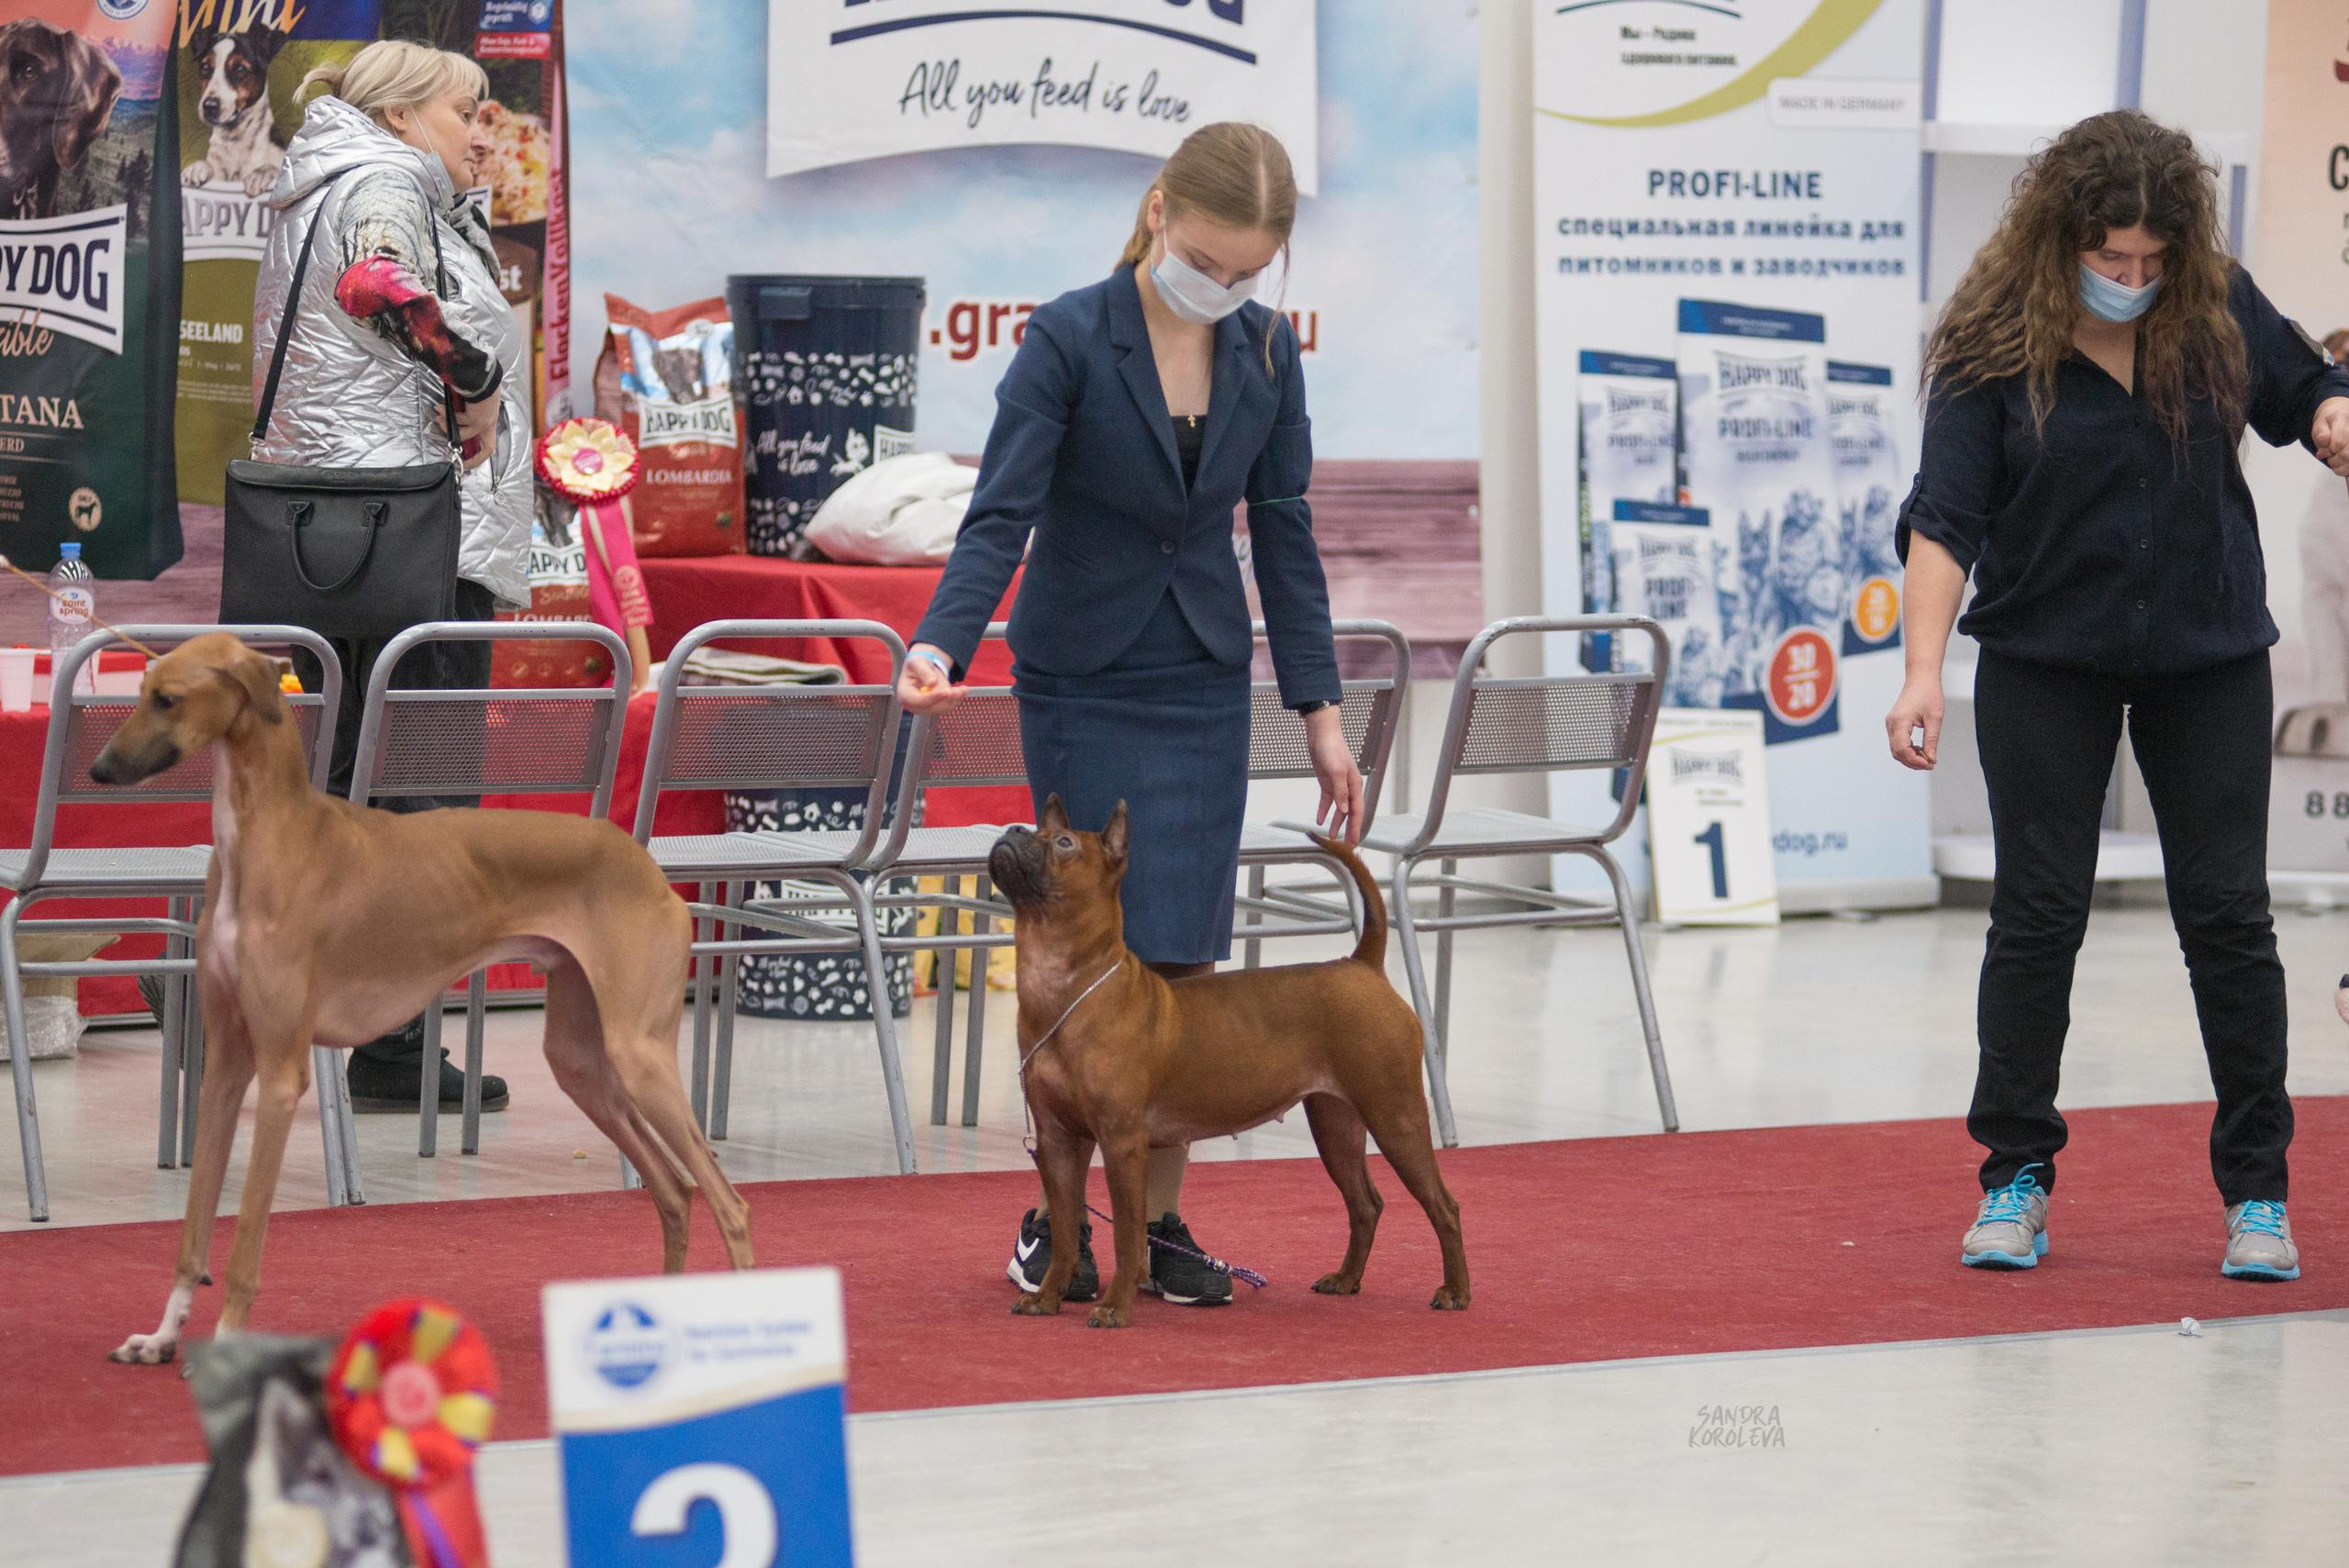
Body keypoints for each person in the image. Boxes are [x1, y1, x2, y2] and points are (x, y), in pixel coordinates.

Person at [1887, 110, 2349, 1281]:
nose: (2132, 279)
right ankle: (2015, 1178)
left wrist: (2334, 413)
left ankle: (2256, 1192)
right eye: (2109, 260)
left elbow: (2303, 389)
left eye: (2150, 261)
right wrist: (1922, 672)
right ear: (2061, 241)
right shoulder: (1990, 342)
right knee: (2037, 917)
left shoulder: (2213, 301)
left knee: (2228, 922)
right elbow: (1942, 521)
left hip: (2208, 657)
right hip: (2047, 658)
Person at [903, 122, 1361, 1307]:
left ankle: (1154, 1228)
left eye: (1251, 271)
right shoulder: (1066, 335)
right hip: (1085, 675)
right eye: (1211, 258)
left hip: (1204, 675)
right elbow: (998, 514)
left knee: (1181, 962)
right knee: (1079, 955)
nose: (1227, 286)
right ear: (1159, 212)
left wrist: (1318, 707)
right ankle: (1051, 1221)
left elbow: (1289, 531)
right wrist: (943, 637)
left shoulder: (1265, 351)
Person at [253, 39, 533, 1114]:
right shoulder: (382, 180)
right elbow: (378, 284)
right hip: (413, 536)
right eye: (467, 110)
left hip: (353, 532)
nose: (480, 131)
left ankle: (265, 986)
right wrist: (471, 377)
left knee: (337, 796)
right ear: (407, 110)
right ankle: (396, 1053)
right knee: (418, 807)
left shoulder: (328, 175)